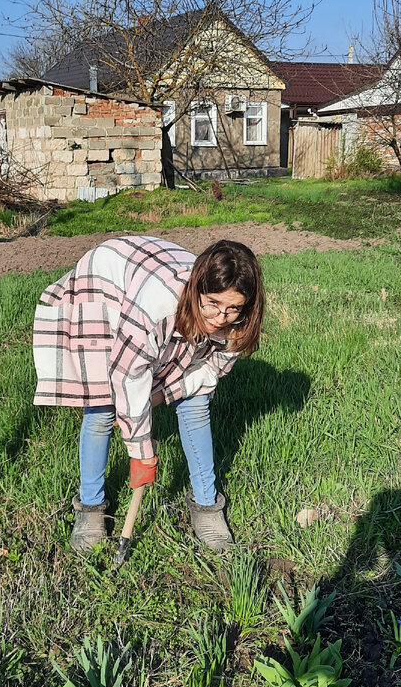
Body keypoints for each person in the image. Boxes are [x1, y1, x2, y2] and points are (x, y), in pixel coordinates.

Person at [32, 235, 264, 553]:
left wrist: (158, 398)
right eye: (213, 304)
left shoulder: (239, 323)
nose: (219, 319)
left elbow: (207, 373)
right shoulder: (157, 306)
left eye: (232, 309)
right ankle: (90, 507)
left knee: (196, 404)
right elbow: (129, 375)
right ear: (197, 289)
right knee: (101, 406)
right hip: (109, 280)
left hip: (156, 272)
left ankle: (207, 506)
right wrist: (141, 452)